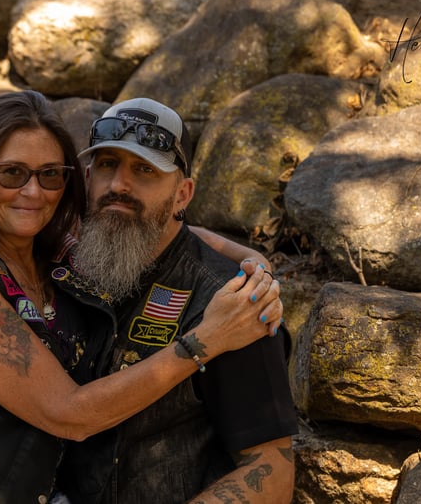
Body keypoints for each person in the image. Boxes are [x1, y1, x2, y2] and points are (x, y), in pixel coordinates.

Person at [0, 90, 281, 504]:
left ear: (183, 195)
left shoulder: (60, 259)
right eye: (11, 173)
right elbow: (68, 413)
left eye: (50, 175)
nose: (33, 192)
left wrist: (252, 263)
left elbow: (273, 471)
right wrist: (206, 340)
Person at [49, 97, 299, 503]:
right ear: (88, 177)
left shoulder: (233, 304)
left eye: (144, 169)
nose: (118, 186)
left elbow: (270, 473)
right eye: (108, 165)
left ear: (183, 195)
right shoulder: (54, 266)